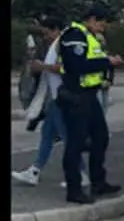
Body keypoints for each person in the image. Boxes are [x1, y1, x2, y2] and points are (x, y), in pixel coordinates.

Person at [57, 3, 124, 204]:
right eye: (102, 23)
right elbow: (76, 66)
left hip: (89, 96)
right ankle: (74, 189)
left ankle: (98, 181)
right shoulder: (73, 36)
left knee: (100, 137)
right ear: (92, 19)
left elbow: (91, 64)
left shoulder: (88, 36)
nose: (103, 27)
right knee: (76, 144)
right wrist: (107, 62)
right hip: (75, 96)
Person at [12, 17, 88, 190]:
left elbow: (67, 68)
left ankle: (80, 173)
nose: (45, 37)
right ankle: (35, 171)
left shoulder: (64, 44)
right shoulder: (55, 45)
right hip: (56, 98)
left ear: (55, 30)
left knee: (67, 138)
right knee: (47, 134)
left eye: (47, 33)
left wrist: (44, 67)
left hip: (63, 98)